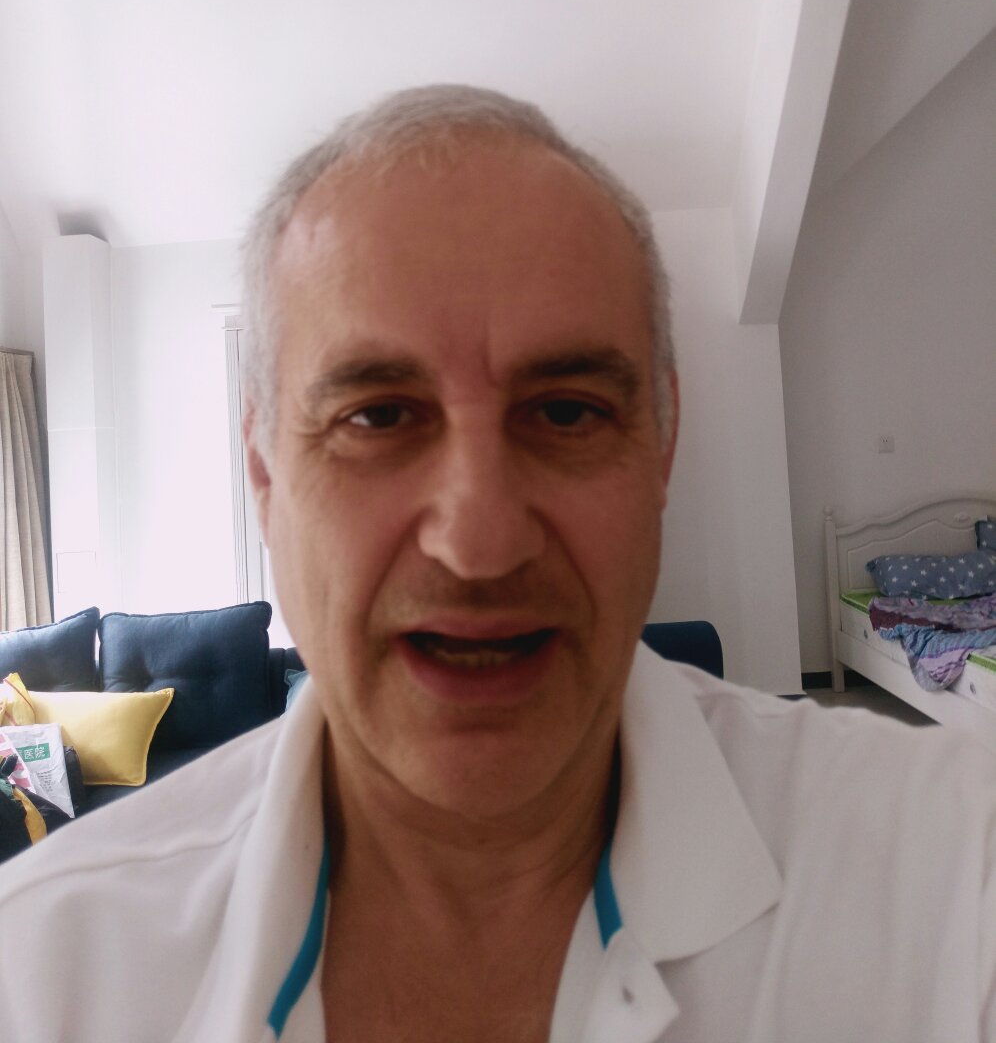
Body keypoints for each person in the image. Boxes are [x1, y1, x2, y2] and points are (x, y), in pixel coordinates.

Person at [1, 85, 995, 1043]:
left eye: (566, 411)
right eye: (376, 417)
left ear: (662, 444)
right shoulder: (41, 971)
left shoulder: (953, 863)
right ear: (264, 468)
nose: (478, 544)